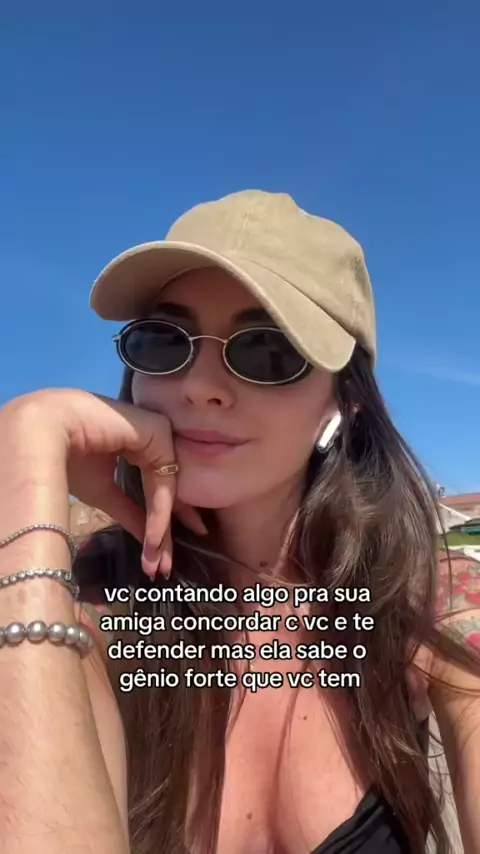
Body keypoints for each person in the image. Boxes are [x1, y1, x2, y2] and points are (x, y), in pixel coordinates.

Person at [0, 189, 479, 854]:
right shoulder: (85, 609)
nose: (199, 386)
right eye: (164, 342)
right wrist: (27, 463)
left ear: (346, 402)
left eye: (267, 351)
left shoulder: (427, 601)